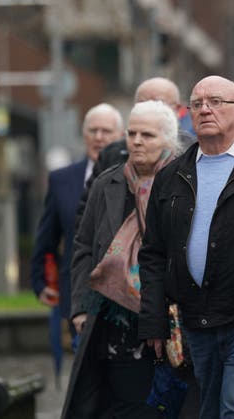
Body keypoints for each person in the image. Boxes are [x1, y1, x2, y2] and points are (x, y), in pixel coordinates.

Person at [138, 75, 234, 419]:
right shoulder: (171, 176)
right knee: (210, 410)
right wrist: (154, 319)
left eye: (216, 102)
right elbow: (154, 253)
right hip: (196, 318)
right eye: (197, 103)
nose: (205, 109)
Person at [62, 100, 179, 418]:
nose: (137, 141)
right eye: (132, 133)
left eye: (148, 135)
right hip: (116, 323)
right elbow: (83, 247)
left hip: (169, 320)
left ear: (168, 139)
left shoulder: (183, 181)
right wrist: (80, 308)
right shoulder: (107, 183)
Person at [30, 103, 123, 341]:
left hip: (123, 296)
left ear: (121, 136)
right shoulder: (62, 179)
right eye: (93, 131)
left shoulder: (131, 175)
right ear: (83, 134)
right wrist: (39, 282)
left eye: (106, 131)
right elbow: (47, 235)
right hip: (77, 296)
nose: (99, 137)